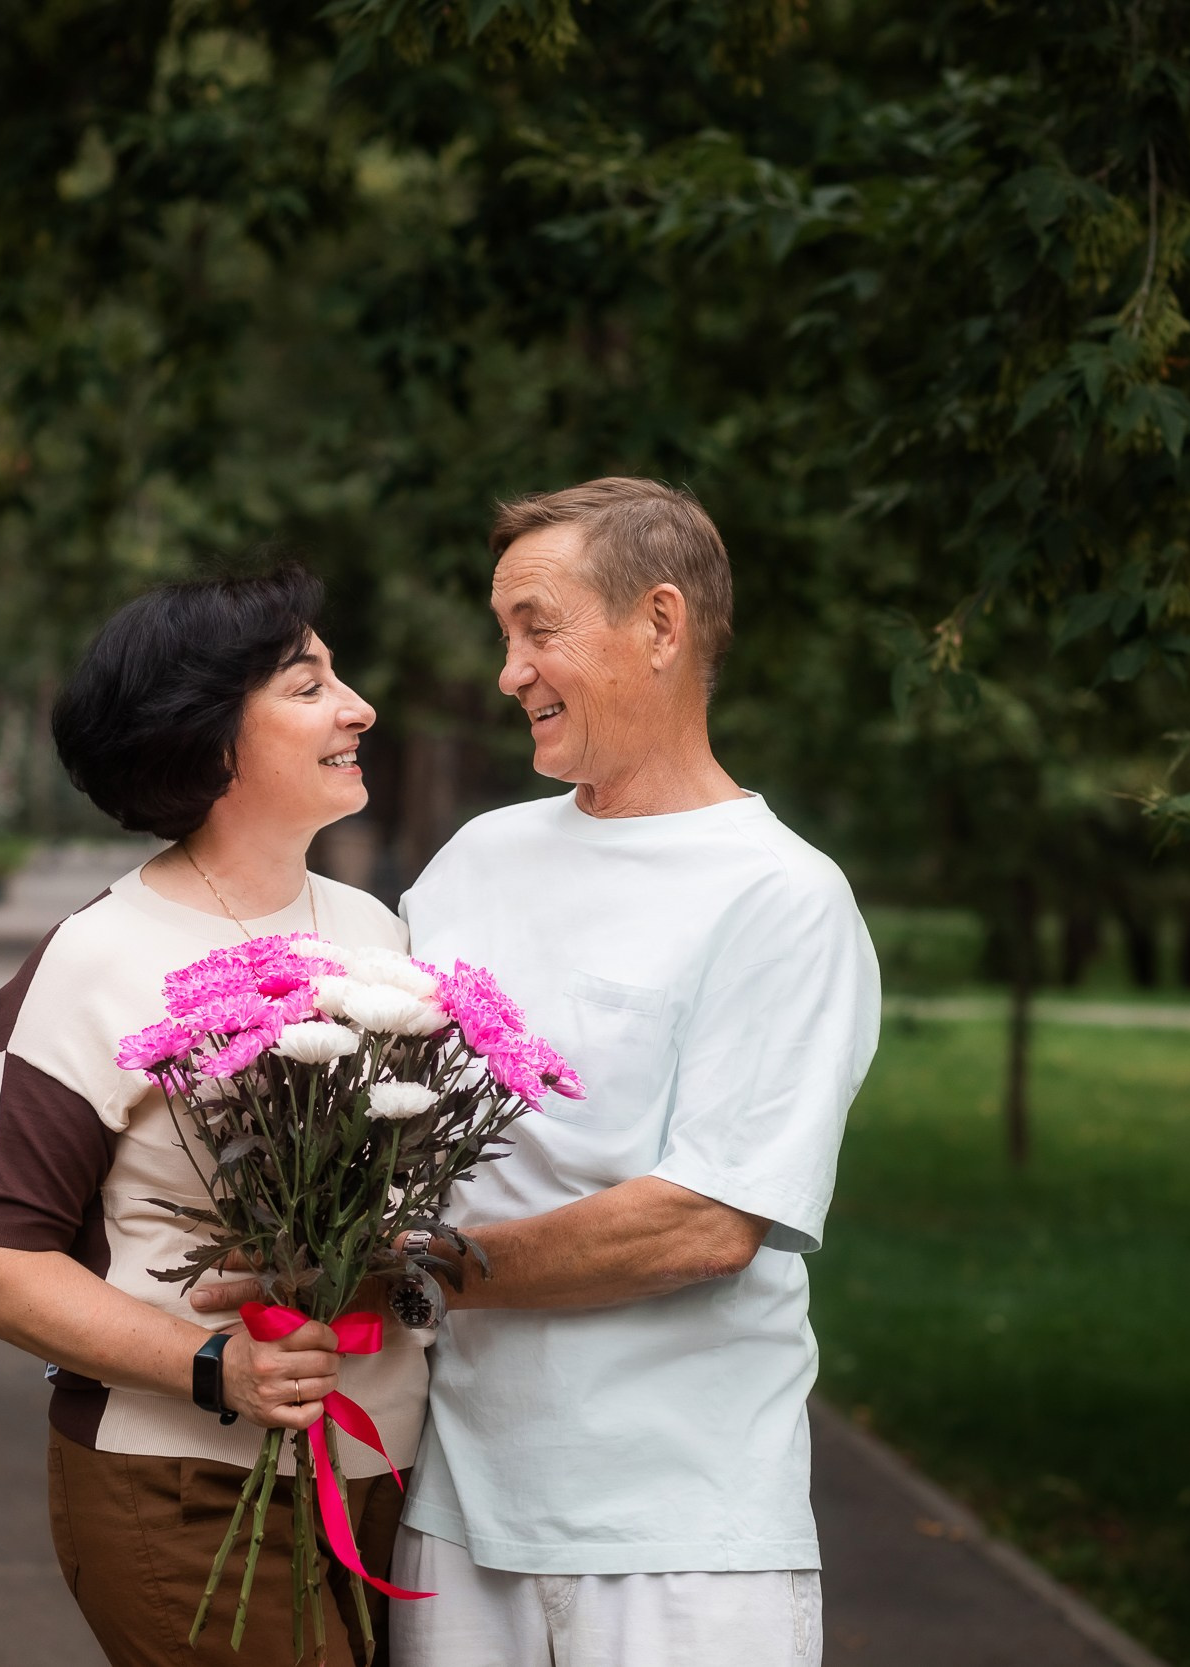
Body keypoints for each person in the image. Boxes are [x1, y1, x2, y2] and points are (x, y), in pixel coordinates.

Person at [384, 478, 881, 1664]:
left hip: (680, 1535)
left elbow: (704, 1222)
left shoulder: (778, 894)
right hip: (452, 1513)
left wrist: (406, 1273)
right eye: (503, 632)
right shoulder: (476, 858)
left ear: (660, 625)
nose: (508, 670)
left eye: (536, 627)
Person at [0, 566, 425, 1666]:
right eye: (308, 686)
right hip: (185, 1483)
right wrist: (216, 1365)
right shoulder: (92, 961)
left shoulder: (375, 930)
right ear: (210, 740)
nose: (358, 706)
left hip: (390, 1479)